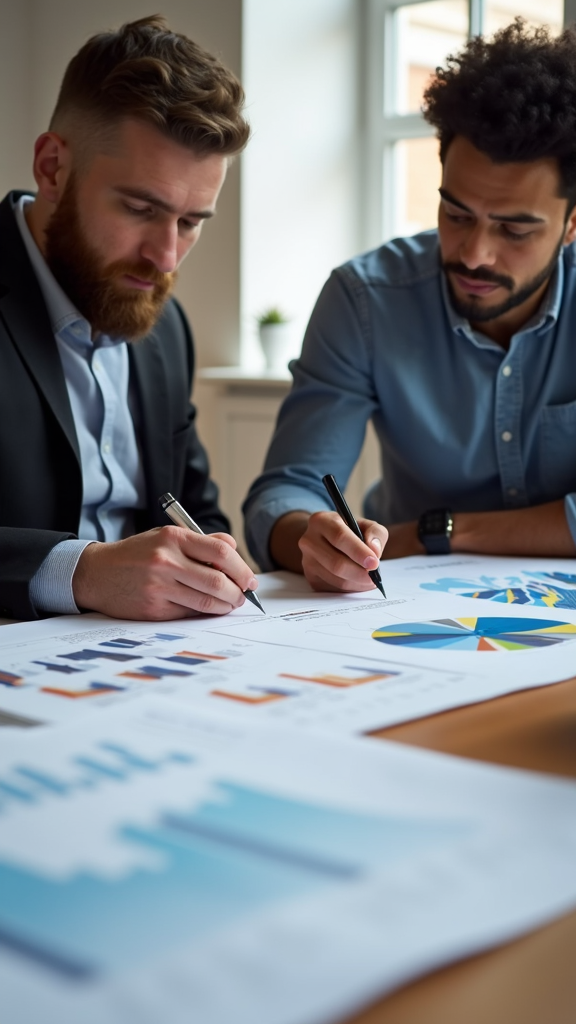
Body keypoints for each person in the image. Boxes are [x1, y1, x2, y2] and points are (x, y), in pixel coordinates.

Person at [244, 19, 576, 593]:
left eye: (515, 231)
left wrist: (433, 533)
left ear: (572, 225)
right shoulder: (365, 300)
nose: (475, 254)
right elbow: (284, 492)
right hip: (412, 603)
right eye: (456, 214)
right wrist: (311, 536)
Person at [0, 15, 259, 622]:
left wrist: (213, 557)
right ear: (52, 168)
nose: (166, 256)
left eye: (192, 222)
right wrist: (80, 571)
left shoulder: (165, 328)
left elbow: (197, 511)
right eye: (141, 208)